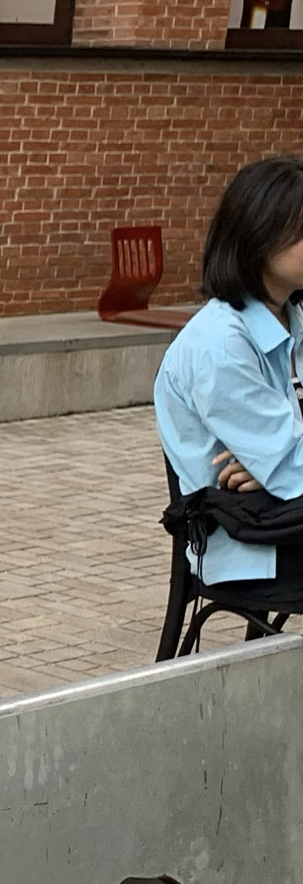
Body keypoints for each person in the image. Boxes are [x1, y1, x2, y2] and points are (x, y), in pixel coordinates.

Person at [153, 155, 303, 582]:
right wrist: (281, 461)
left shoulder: (292, 318)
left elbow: (285, 464)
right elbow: (288, 464)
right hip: (254, 541)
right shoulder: (220, 342)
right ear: (260, 235)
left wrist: (276, 462)